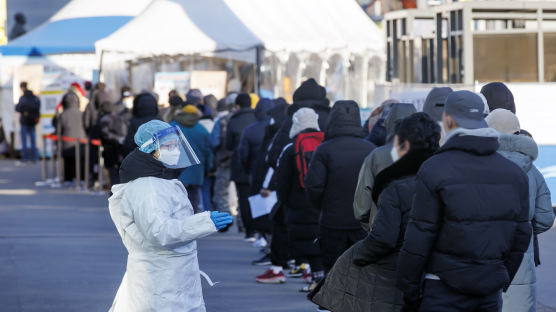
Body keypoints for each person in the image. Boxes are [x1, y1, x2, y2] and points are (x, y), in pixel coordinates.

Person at [397, 91, 532, 311]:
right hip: (489, 290)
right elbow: (521, 234)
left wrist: (409, 290)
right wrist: (501, 277)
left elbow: (420, 234)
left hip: (441, 288)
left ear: (448, 120)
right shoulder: (514, 174)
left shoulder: (434, 168)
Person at [311, 112, 441, 312]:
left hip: (397, 264)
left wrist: (358, 254)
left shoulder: (394, 183)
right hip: (445, 267)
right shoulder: (448, 176)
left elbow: (383, 237)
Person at [108, 120, 232, 311]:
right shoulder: (147, 187)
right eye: (168, 146)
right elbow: (160, 233)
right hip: (160, 278)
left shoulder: (159, 181)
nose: (174, 150)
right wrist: (204, 222)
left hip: (170, 275)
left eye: (176, 145)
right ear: (151, 149)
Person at [485, 109, 555, 312]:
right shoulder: (532, 172)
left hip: (482, 262)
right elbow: (545, 217)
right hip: (521, 266)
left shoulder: (476, 165)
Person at [305, 100, 376, 274]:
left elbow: (314, 186)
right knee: (361, 274)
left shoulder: (324, 150)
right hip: (364, 223)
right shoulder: (371, 149)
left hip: (332, 221)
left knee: (332, 274)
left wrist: (323, 207)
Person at [259, 108, 325, 290]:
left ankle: (315, 279)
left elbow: (282, 178)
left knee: (303, 241)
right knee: (317, 239)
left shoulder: (291, 147)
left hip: (296, 202)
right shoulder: (324, 144)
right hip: (319, 202)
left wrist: (285, 200)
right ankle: (316, 277)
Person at [353, 103, 416, 231]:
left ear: (389, 123)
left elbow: (361, 206)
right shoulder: (431, 154)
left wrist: (371, 226)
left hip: (382, 231)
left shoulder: (376, 156)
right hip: (418, 232)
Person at [171, 105, 213, 213]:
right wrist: (208, 168)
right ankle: (194, 222)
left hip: (176, 172)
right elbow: (208, 152)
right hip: (197, 171)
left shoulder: (172, 127)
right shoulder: (202, 130)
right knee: (194, 201)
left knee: (177, 202)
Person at [226, 93, 257, 240]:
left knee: (243, 198)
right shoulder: (257, 118)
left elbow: (229, 145)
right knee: (256, 197)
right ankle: (260, 232)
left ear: (237, 106)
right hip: (256, 166)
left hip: (239, 165)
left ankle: (249, 231)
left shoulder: (233, 121)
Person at [52, 92, 86, 183]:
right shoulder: (82, 113)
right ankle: (81, 178)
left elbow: (58, 130)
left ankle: (68, 179)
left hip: (66, 143)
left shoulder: (63, 114)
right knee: (80, 162)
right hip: (81, 142)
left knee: (68, 162)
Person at [209, 99, 235, 217]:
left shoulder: (220, 122)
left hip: (224, 160)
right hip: (239, 161)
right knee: (240, 193)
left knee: (221, 192)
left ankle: (226, 217)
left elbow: (214, 142)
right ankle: (242, 221)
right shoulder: (236, 118)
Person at [99, 101, 128, 187]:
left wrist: (116, 139)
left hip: (110, 149)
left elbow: (105, 133)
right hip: (121, 149)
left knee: (112, 172)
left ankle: (114, 191)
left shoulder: (105, 119)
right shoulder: (120, 118)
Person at [122, 92, 160, 156]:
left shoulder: (134, 122)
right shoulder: (160, 122)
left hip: (139, 159)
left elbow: (128, 145)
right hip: (158, 159)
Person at [15, 82, 40, 163]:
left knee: (24, 141)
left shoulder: (23, 98)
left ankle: (25, 158)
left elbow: (18, 108)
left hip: (24, 121)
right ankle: (34, 157)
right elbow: (38, 106)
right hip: (32, 121)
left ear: (22, 87)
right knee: (33, 140)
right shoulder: (34, 97)